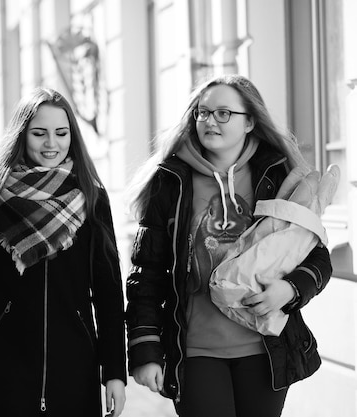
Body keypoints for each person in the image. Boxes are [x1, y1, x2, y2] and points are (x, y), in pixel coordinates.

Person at [125, 74, 332, 417]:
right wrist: (145, 348)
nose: (209, 121)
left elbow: (317, 256)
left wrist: (291, 290)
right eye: (202, 113)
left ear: (250, 121)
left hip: (264, 348)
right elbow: (147, 272)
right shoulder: (171, 181)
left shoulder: (275, 176)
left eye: (224, 113)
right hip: (195, 349)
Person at [0, 87, 127, 417]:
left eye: (61, 133)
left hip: (75, 367)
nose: (51, 144)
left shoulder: (91, 196)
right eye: (39, 133)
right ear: (21, 135)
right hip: (1, 367)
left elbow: (109, 293)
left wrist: (114, 372)